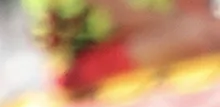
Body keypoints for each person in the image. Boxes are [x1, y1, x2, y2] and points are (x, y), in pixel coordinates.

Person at [22, 0, 220, 96]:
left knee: (202, 30)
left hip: (108, 54)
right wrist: (188, 24)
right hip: (80, 74)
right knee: (198, 35)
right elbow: (123, 21)